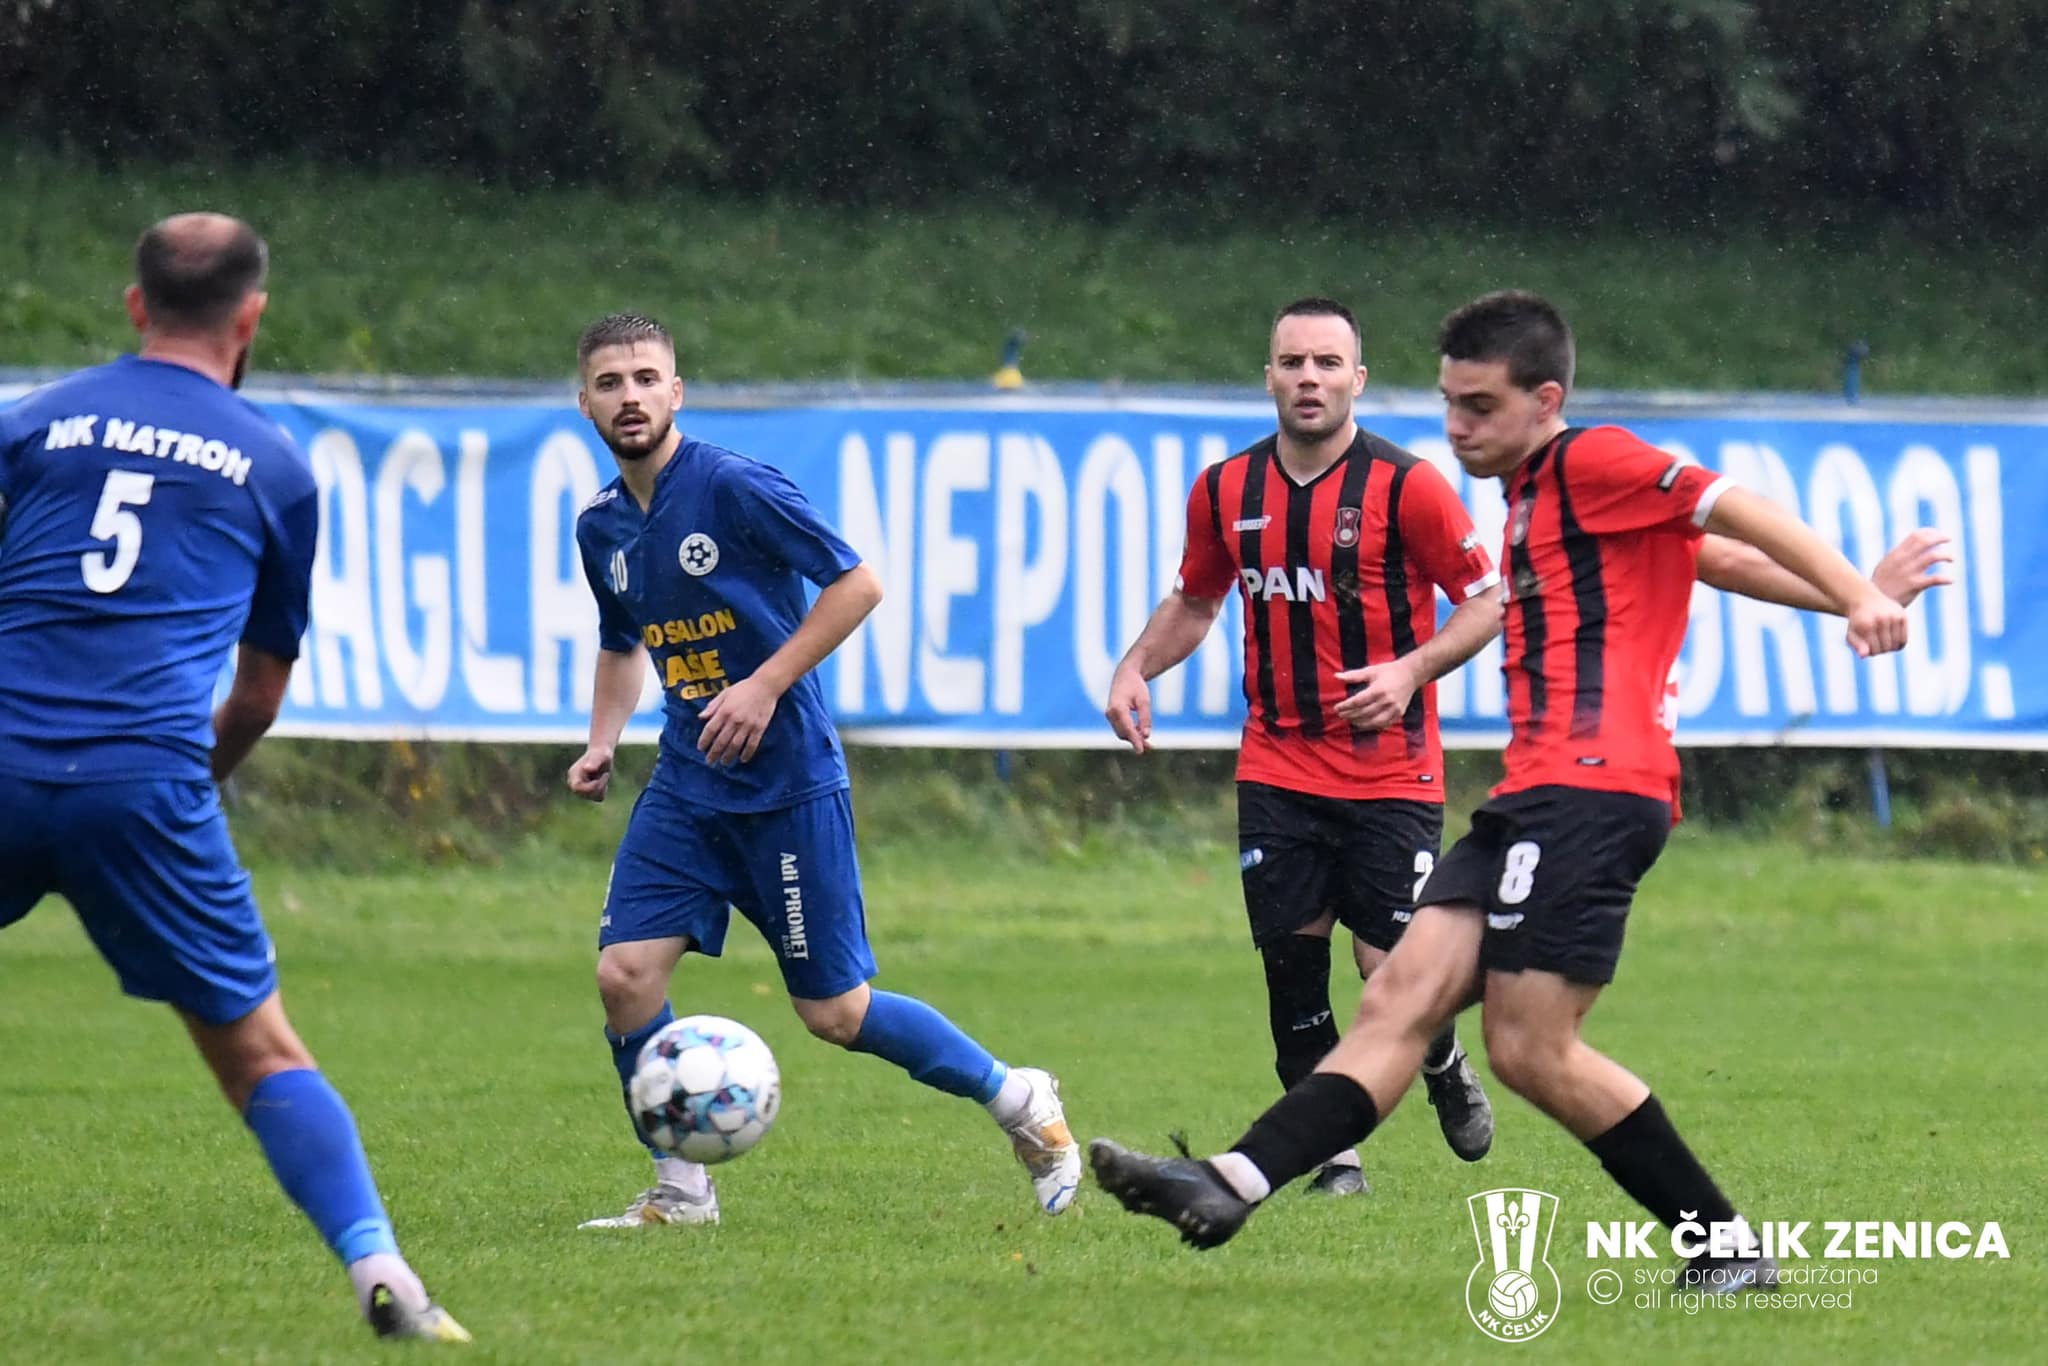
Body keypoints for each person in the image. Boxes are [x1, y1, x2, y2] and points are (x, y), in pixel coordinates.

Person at [1090, 290, 1930, 1292]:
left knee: (1530, 1049)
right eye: (1449, 402)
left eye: (1479, 406)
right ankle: (1226, 1182)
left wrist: (1858, 594)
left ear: (1545, 400)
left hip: (1594, 791)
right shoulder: (1536, 494)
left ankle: (1726, 1247)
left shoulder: (1592, 460)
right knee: (1395, 1000)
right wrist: (1846, 588)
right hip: (1532, 796)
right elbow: (1714, 559)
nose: (1456, 427)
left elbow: (1731, 509)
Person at [0, 215, 468, 1343]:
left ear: (135, 304)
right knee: (260, 1053)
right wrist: (178, 785)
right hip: (147, 781)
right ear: (251, 316)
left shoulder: (31, 425)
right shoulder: (274, 467)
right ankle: (383, 1271)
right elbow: (257, 695)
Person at [565, 312, 1080, 1227]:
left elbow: (858, 584)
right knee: (625, 976)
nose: (629, 397)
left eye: (646, 379)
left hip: (788, 784)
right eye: (610, 383)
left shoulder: (731, 486)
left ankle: (1019, 1099)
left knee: (836, 1014)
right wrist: (603, 739)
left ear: (677, 392)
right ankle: (682, 1189)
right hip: (687, 784)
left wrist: (764, 685)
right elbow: (621, 642)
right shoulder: (601, 525)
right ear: (586, 404)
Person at [1104, 298, 1502, 1197]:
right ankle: (1337, 1158)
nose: (1309, 379)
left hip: (1391, 768)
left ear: (1358, 378)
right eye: (1293, 363)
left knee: (1389, 970)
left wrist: (1409, 670)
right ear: (1270, 377)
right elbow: (1197, 599)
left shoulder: (1407, 487)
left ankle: (1440, 1059)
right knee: (1292, 973)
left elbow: (1487, 599)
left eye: (1327, 363)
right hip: (1278, 765)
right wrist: (1135, 667)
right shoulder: (1226, 490)